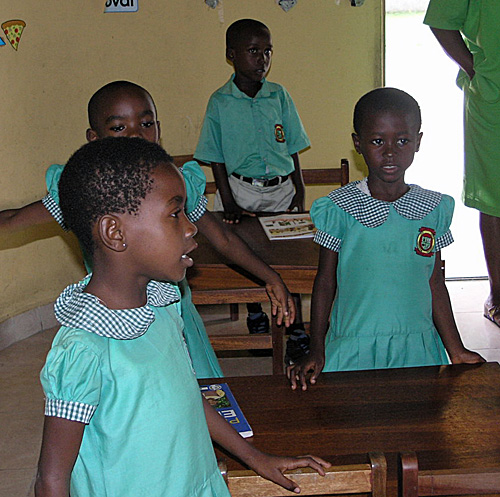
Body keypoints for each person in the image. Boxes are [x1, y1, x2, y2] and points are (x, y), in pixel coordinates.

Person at [34, 137, 329, 496]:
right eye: (175, 214)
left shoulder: (163, 306)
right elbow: (52, 480)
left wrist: (255, 457)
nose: (191, 227)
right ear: (115, 233)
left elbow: (188, 396)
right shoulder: (83, 350)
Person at [0, 80, 295, 379]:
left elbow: (224, 238)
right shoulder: (85, 190)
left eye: (146, 123)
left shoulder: (173, 185)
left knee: (193, 395)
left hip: (176, 317)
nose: (136, 135)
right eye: (118, 127)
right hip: (116, 318)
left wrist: (271, 277)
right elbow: (14, 219)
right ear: (94, 137)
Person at [287, 88, 485, 391]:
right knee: (354, 425)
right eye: (378, 141)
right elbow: (325, 281)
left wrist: (456, 350)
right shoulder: (339, 208)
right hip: (354, 345)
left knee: (417, 425)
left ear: (418, 142)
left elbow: (434, 283)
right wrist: (316, 348)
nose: (390, 151)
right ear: (358, 143)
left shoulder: (433, 209)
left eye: (402, 140)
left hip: (417, 347)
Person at [194, 19, 309, 359]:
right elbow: (214, 156)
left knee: (288, 258)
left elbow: (293, 147)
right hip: (239, 191)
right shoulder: (220, 102)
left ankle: (297, 327)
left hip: (281, 189)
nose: (262, 59)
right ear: (232, 55)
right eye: (253, 51)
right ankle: (256, 313)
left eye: (267, 51)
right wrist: (227, 200)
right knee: (247, 252)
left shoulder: (279, 95)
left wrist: (298, 190)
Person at [423, 1, 500, 328]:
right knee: (495, 197)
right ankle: (499, 294)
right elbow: (441, 20)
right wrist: (474, 67)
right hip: (494, 94)